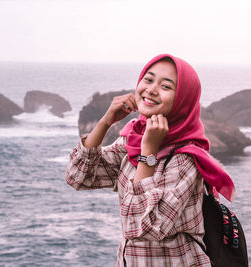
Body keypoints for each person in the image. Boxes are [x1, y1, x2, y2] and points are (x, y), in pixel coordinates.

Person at [65, 54, 236, 266]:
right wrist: (106, 122)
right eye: (148, 79)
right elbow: (78, 177)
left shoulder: (186, 158)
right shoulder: (134, 138)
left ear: (182, 99)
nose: (151, 89)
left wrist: (149, 152)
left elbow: (142, 227)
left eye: (165, 86)